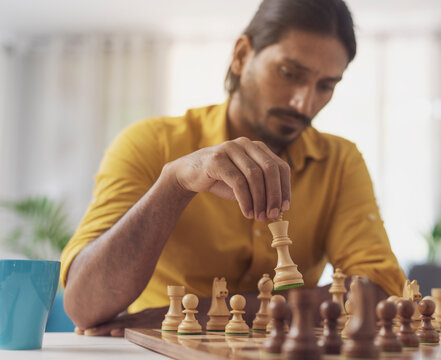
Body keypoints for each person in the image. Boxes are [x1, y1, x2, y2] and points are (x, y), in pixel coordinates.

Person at [61, 0, 406, 336]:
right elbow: (84, 306)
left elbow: (377, 292)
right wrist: (175, 184)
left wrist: (193, 313)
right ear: (242, 56)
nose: (304, 102)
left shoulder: (341, 161)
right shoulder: (149, 143)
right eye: (289, 73)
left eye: (326, 85)